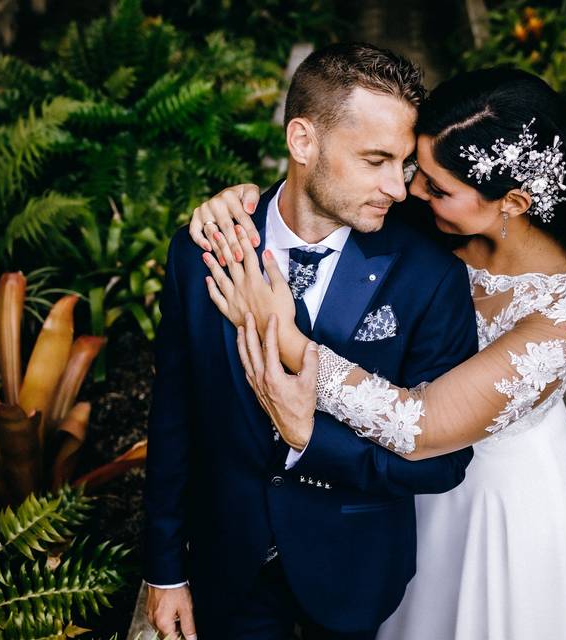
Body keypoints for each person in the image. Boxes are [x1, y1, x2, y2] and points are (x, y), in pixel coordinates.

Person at [194, 67, 566, 640]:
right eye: (413, 170)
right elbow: (325, 194)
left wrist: (292, 344)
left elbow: (422, 424)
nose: (409, 193)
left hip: (495, 506)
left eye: (436, 186)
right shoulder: (428, 223)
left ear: (514, 201)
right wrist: (245, 204)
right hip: (389, 487)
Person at [144, 42, 481, 640]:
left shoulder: (430, 276)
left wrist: (311, 442)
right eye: (374, 159)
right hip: (228, 566)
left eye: (402, 164)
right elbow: (175, 414)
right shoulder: (202, 251)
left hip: (353, 571)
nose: (397, 189)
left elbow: (446, 463)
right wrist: (164, 570)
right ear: (303, 141)